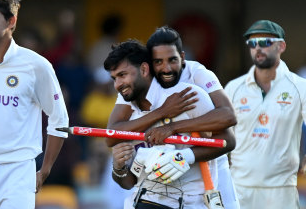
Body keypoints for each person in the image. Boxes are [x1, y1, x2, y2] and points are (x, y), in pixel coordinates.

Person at [107, 26, 239, 208]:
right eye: (158, 62)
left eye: (172, 60)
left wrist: (175, 132)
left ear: (183, 58)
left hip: (206, 174)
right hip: (151, 196)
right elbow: (111, 136)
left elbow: (228, 119)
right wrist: (161, 113)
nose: (166, 68)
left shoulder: (194, 82)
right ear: (149, 66)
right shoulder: (129, 92)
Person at [0, 0, 69, 208]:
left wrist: (45, 170)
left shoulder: (37, 65)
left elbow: (59, 120)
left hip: (17, 171)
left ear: (11, 21)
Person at [224, 20, 306, 209]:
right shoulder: (234, 88)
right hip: (239, 188)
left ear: (281, 46)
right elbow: (222, 133)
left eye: (265, 42)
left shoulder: (300, 86)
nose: (258, 48)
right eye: (252, 44)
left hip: (281, 190)